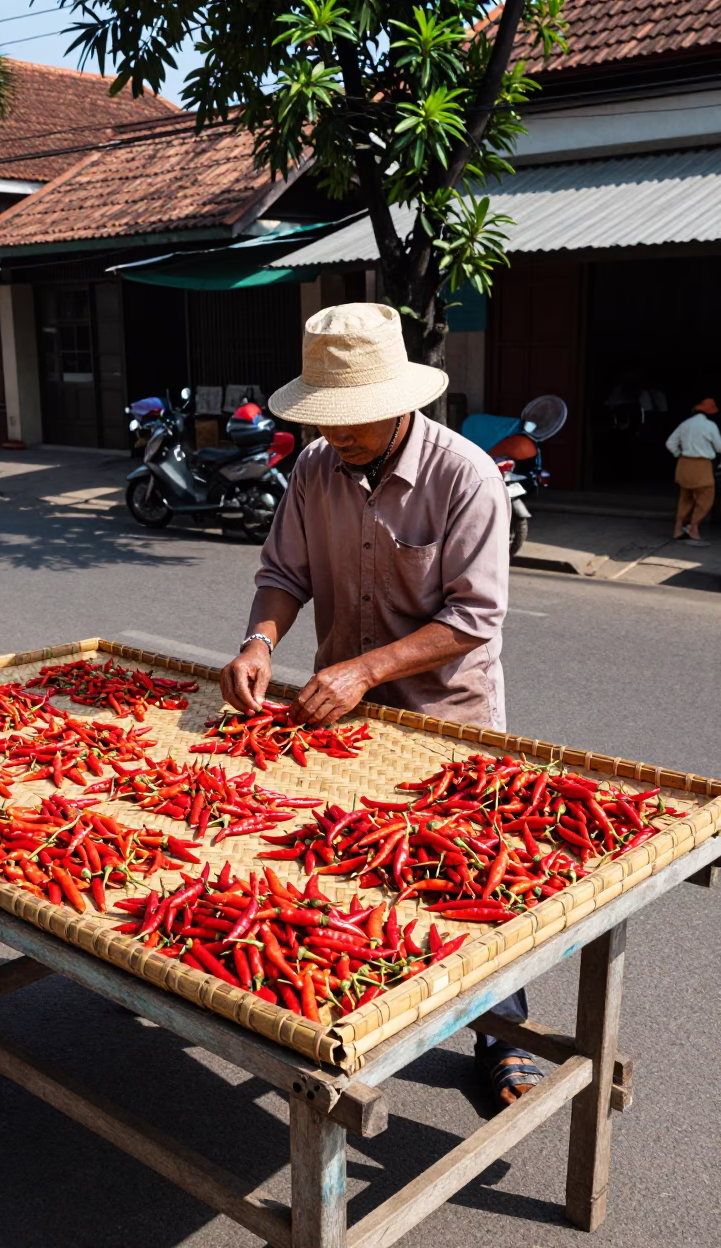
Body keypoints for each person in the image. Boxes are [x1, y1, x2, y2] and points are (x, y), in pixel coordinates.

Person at [221, 303, 542, 1110]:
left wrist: (365, 669)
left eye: (354, 418)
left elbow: (474, 617)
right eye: (326, 419)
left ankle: (504, 1036)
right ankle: (354, 1010)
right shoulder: (314, 469)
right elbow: (284, 576)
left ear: (400, 400)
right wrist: (260, 642)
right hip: (341, 716)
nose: (338, 435)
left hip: (444, 714)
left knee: (465, 880)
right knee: (343, 867)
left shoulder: (465, 476)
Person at [665, 398, 721, 545]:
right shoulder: (710, 425)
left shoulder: (685, 424)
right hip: (701, 465)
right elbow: (719, 447)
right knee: (706, 497)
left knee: (685, 497)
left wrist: (679, 454)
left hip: (684, 464)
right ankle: (693, 527)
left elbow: (670, 443)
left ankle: (677, 529)